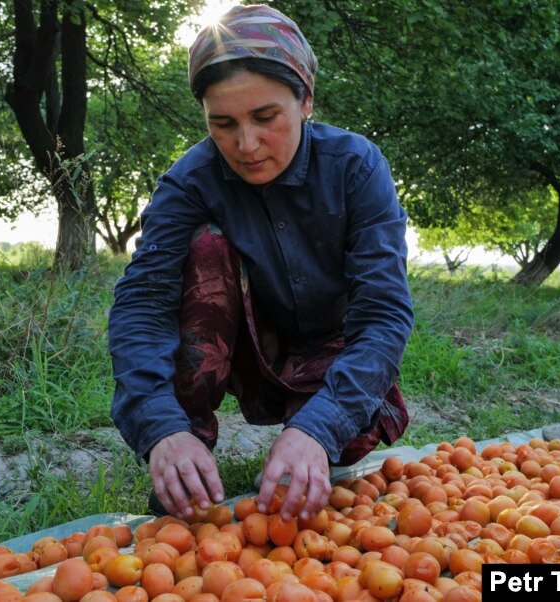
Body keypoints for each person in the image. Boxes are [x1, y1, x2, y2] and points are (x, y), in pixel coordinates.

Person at [108, 4, 413, 522]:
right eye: (222, 124)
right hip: (240, 347)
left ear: (306, 100)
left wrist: (317, 429)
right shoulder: (189, 182)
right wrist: (161, 428)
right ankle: (187, 459)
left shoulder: (357, 167)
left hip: (329, 349)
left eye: (266, 118)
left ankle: (309, 432)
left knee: (344, 436)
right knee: (204, 245)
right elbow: (142, 305)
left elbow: (383, 313)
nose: (246, 146)